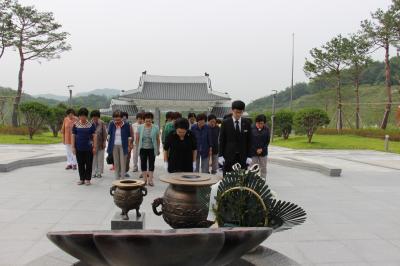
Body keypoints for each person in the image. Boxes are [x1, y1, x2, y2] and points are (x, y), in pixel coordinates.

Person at [218, 100, 252, 176]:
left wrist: (249, 156)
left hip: (242, 157)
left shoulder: (246, 123)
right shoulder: (225, 123)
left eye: (240, 112)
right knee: (228, 179)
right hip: (228, 156)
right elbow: (222, 140)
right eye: (236, 112)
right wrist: (220, 155)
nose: (238, 114)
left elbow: (249, 141)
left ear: (243, 111)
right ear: (232, 110)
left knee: (242, 178)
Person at [71, 107, 97, 185]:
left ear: (86, 116)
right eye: (81, 116)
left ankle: (88, 179)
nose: (82, 117)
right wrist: (73, 147)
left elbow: (95, 136)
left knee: (89, 164)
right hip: (79, 147)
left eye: (84, 116)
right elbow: (73, 136)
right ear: (79, 116)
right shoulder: (75, 125)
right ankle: (82, 179)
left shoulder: (91, 124)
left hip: (89, 148)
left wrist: (95, 147)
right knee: (80, 163)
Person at [136, 112, 160, 186]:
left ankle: (150, 180)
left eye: (149, 121)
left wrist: (158, 149)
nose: (148, 122)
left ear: (152, 120)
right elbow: (137, 138)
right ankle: (144, 179)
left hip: (152, 148)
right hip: (143, 148)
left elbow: (157, 139)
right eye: (146, 121)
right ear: (144, 120)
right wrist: (137, 148)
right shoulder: (140, 127)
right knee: (143, 163)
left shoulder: (156, 127)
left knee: (151, 164)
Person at [107, 110, 133, 179]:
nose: (117, 121)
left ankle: (122, 177)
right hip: (114, 145)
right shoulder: (112, 124)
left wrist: (129, 145)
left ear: (122, 118)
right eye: (115, 119)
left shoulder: (126, 124)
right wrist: (108, 140)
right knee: (116, 162)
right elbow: (109, 134)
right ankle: (116, 177)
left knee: (123, 162)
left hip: (123, 145)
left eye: (118, 119)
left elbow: (129, 136)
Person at [250, 114, 270, 180]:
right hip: (253, 152)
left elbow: (267, 141)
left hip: (263, 152)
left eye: (262, 123)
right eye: (258, 123)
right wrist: (256, 149)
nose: (260, 125)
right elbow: (249, 141)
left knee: (263, 167)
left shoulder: (266, 129)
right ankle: (252, 181)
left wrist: (262, 149)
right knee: (253, 167)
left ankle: (263, 180)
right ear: (256, 122)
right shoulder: (251, 128)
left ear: (264, 123)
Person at [90, 110, 107, 178]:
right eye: (93, 117)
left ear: (98, 117)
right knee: (93, 159)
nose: (95, 119)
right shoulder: (90, 123)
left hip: (100, 144)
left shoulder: (102, 123)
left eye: (96, 117)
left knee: (100, 158)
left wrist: (104, 142)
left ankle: (99, 172)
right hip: (92, 144)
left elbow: (105, 133)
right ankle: (94, 172)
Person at [122, 111, 134, 177]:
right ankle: (120, 171)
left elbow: (132, 135)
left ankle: (125, 171)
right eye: (122, 117)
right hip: (120, 145)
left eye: (125, 117)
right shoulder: (117, 125)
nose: (123, 119)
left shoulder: (129, 125)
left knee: (127, 159)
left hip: (127, 145)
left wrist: (131, 144)